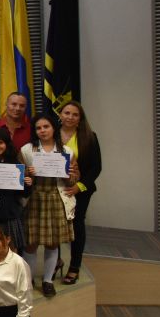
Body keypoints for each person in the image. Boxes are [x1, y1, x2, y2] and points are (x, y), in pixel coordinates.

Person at [20, 113, 80, 296]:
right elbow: (19, 179)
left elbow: (74, 179)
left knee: (52, 243)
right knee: (30, 243)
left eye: (46, 126)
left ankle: (47, 280)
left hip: (56, 197)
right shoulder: (27, 150)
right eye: (38, 128)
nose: (42, 130)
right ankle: (28, 279)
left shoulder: (67, 152)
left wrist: (70, 175)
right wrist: (28, 174)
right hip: (35, 199)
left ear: (54, 128)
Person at [59, 101, 101, 285]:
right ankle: (56, 262)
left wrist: (79, 187)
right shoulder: (49, 134)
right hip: (54, 189)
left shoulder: (89, 137)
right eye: (66, 113)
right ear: (60, 115)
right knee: (55, 226)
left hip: (79, 191)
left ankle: (74, 266)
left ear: (80, 118)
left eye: (74, 114)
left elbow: (96, 168)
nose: (69, 117)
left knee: (76, 225)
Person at [0, 128, 30, 252]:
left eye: (0, 143)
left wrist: (28, 184)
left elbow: (24, 194)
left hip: (10, 213)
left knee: (12, 250)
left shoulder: (16, 163)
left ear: (7, 143)